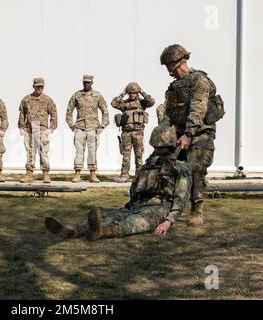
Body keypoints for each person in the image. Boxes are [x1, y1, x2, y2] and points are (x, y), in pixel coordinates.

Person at [45, 125, 192, 240]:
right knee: (109, 216)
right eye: (155, 147)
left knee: (132, 223)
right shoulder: (150, 164)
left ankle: (103, 232)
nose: (157, 150)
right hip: (137, 205)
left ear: (171, 145)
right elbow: (136, 186)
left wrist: (168, 221)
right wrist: (131, 205)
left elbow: (181, 198)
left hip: (159, 209)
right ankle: (75, 230)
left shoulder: (180, 167)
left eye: (161, 147)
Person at [160, 44, 224, 226]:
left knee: (195, 169)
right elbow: (168, 111)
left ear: (178, 62)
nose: (167, 69)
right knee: (169, 168)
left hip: (200, 133)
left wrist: (188, 133)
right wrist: (164, 130)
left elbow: (198, 109)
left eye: (168, 65)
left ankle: (197, 210)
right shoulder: (174, 86)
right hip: (180, 133)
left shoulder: (199, 80)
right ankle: (168, 208)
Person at [66, 75, 109, 183]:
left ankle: (93, 174)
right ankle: (77, 174)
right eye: (84, 82)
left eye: (88, 82)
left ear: (92, 83)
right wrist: (72, 125)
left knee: (92, 152)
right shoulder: (77, 95)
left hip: (92, 128)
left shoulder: (97, 95)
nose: (86, 84)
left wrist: (102, 125)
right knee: (79, 151)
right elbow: (69, 111)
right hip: (80, 127)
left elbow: (105, 111)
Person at [111, 82, 155, 183]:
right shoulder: (124, 103)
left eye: (134, 93)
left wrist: (142, 91)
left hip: (138, 132)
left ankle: (139, 175)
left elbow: (151, 102)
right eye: (130, 93)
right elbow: (114, 103)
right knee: (126, 155)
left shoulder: (142, 103)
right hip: (126, 132)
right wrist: (122, 93)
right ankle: (124, 174)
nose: (132, 95)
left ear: (137, 93)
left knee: (138, 154)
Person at [18, 78, 58, 184]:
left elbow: (54, 114)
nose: (40, 88)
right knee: (30, 152)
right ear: (33, 86)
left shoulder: (47, 100)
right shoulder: (26, 99)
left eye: (41, 86)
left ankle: (45, 174)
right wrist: (21, 127)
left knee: (43, 151)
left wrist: (51, 128)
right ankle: (29, 174)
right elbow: (22, 114)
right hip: (29, 130)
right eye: (37, 86)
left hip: (42, 129)